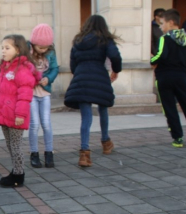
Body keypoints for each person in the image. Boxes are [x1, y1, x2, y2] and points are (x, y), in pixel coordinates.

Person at [64, 15, 122, 167]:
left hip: (82, 77)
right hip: (99, 76)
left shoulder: (78, 40)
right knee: (103, 108)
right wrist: (116, 70)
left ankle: (84, 154)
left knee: (86, 116)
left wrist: (80, 73)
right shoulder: (104, 39)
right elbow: (115, 55)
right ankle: (105, 142)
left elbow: (72, 64)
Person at [0, 35, 39, 187]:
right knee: (10, 144)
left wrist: (20, 115)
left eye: (7, 48)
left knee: (16, 145)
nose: (3, 51)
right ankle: (15, 170)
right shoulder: (6, 67)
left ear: (18, 50)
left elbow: (25, 95)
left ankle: (19, 175)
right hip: (6, 113)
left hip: (16, 115)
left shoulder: (22, 69)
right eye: (2, 48)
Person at [151, 9, 186, 147]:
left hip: (165, 77)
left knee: (169, 108)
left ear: (171, 22)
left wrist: (151, 61)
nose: (161, 27)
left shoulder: (165, 38)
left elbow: (161, 55)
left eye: (162, 24)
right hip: (181, 77)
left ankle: (178, 138)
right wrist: (184, 73)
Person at [28, 24, 59, 169]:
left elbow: (54, 68)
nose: (42, 50)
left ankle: (49, 153)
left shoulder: (51, 52)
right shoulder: (26, 52)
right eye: (39, 47)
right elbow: (22, 70)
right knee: (34, 125)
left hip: (45, 92)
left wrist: (48, 79)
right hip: (31, 93)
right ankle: (34, 154)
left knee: (46, 124)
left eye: (45, 48)